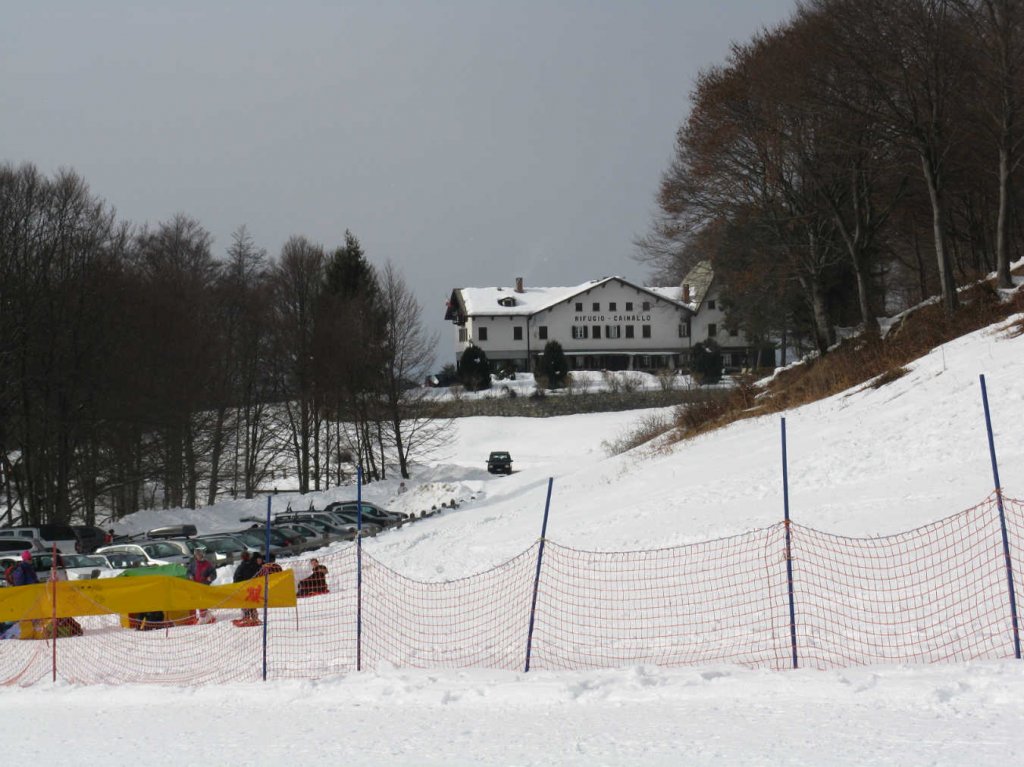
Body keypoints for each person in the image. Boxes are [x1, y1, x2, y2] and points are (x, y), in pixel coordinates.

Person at [186, 547, 217, 624]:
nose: (198, 556)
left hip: (203, 586)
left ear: (203, 554)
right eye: (197, 554)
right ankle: (192, 618)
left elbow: (214, 574)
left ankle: (204, 617)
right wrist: (190, 575)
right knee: (192, 602)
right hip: (194, 586)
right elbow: (188, 572)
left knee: (202, 602)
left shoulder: (208, 564)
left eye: (199, 554)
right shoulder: (193, 564)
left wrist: (210, 578)